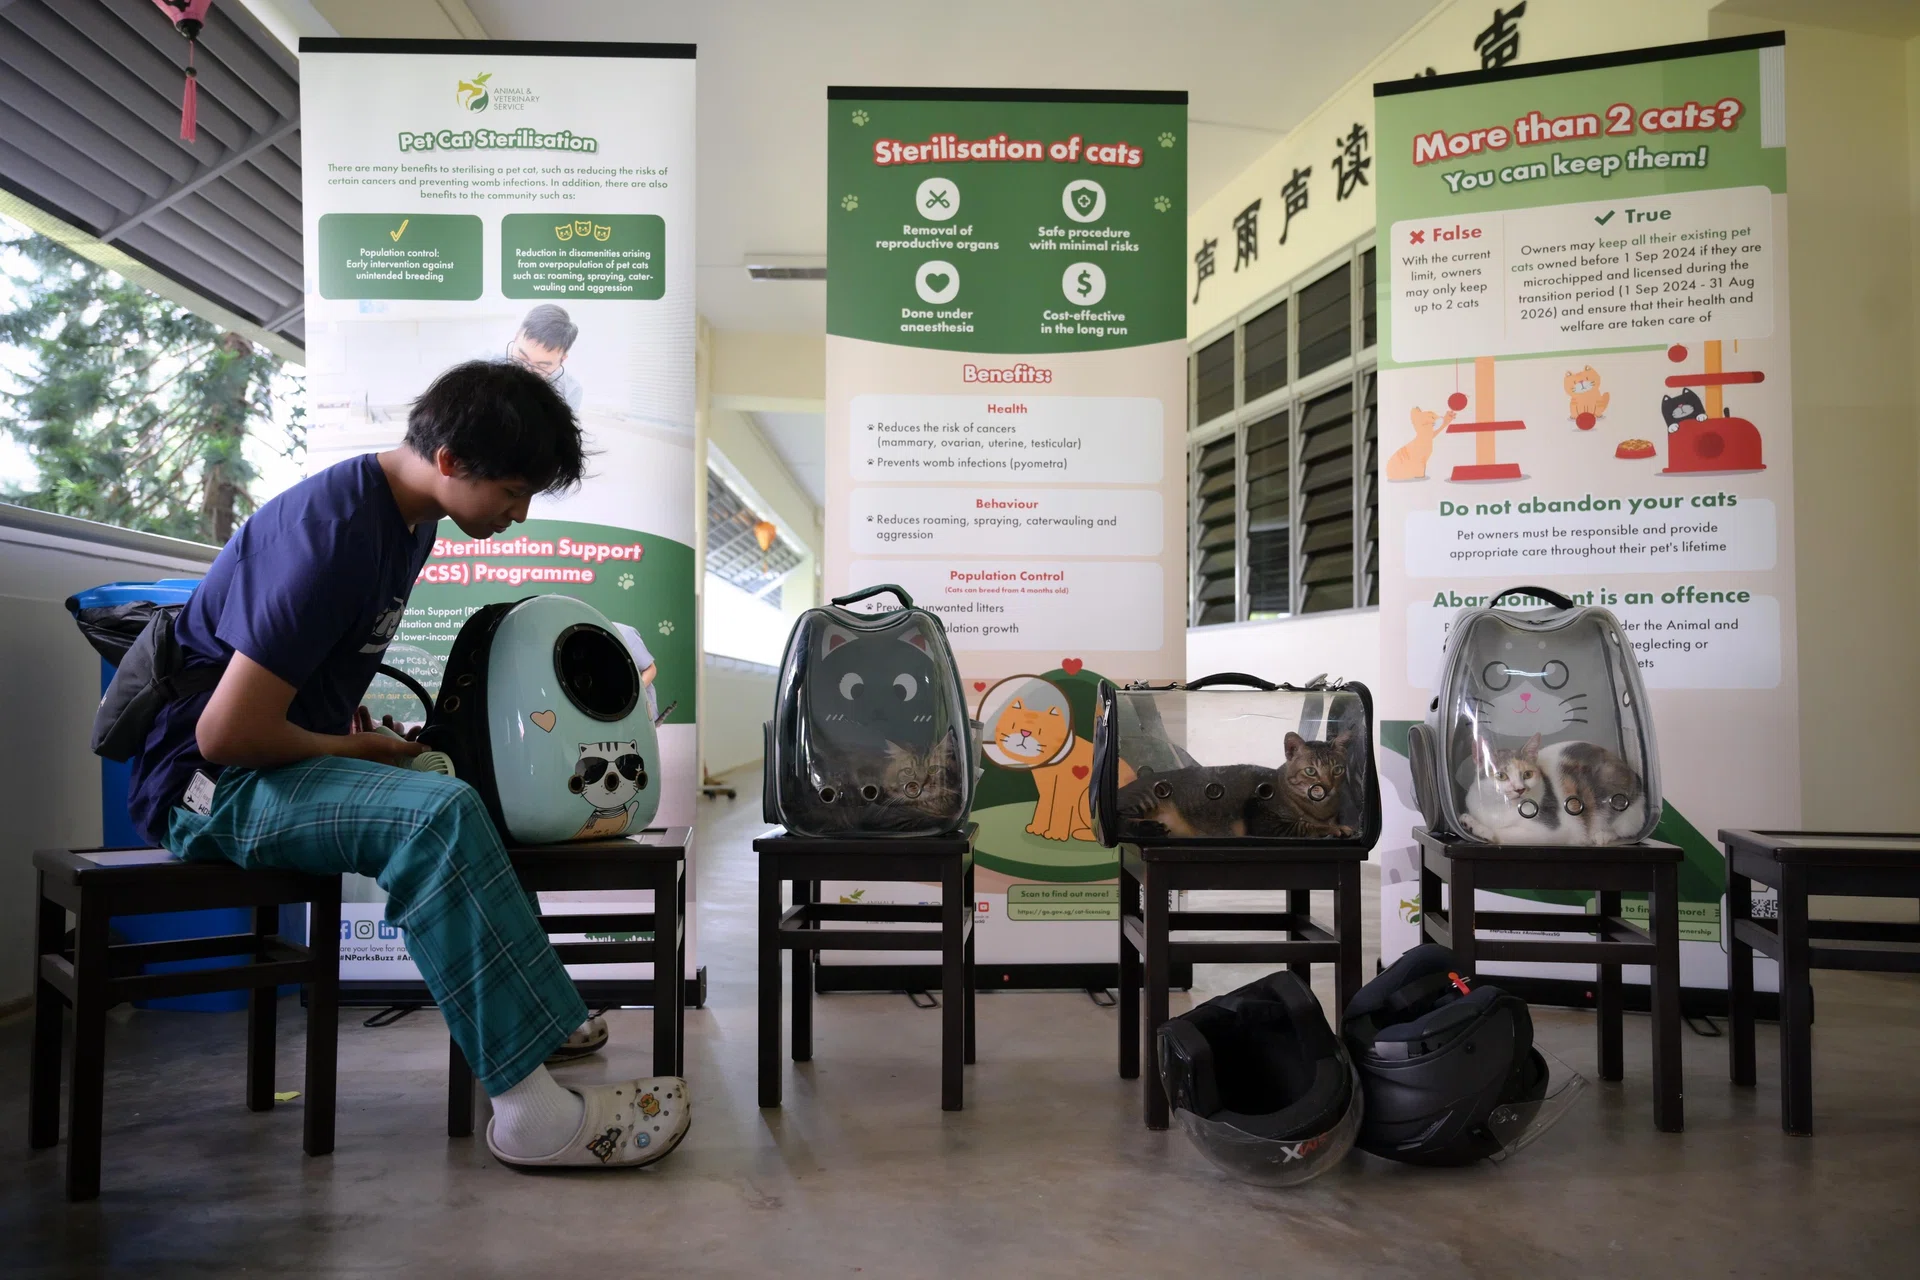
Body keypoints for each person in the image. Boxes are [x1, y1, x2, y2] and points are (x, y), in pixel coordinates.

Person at [126, 361, 687, 1169]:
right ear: (452, 460)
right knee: (438, 812)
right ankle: (532, 1116)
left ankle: (538, 1016)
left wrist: (355, 732)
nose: (518, 515)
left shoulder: (409, 518)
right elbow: (226, 735)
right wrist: (355, 750)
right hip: (210, 789)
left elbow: (299, 682)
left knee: (449, 778)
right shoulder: (334, 535)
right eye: (511, 493)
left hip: (268, 764)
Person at [505, 304, 584, 411]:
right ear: (516, 336)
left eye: (541, 366)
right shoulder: (483, 366)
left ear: (562, 360)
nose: (526, 371)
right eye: (522, 357)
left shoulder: (570, 391)